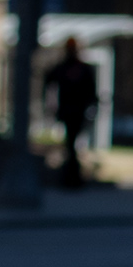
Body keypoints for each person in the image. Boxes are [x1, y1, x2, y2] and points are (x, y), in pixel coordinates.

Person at [45, 37, 98, 187]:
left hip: (77, 112)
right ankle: (72, 178)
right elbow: (49, 80)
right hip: (68, 111)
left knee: (72, 145)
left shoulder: (81, 68)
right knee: (70, 145)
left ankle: (71, 178)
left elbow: (91, 91)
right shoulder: (63, 68)